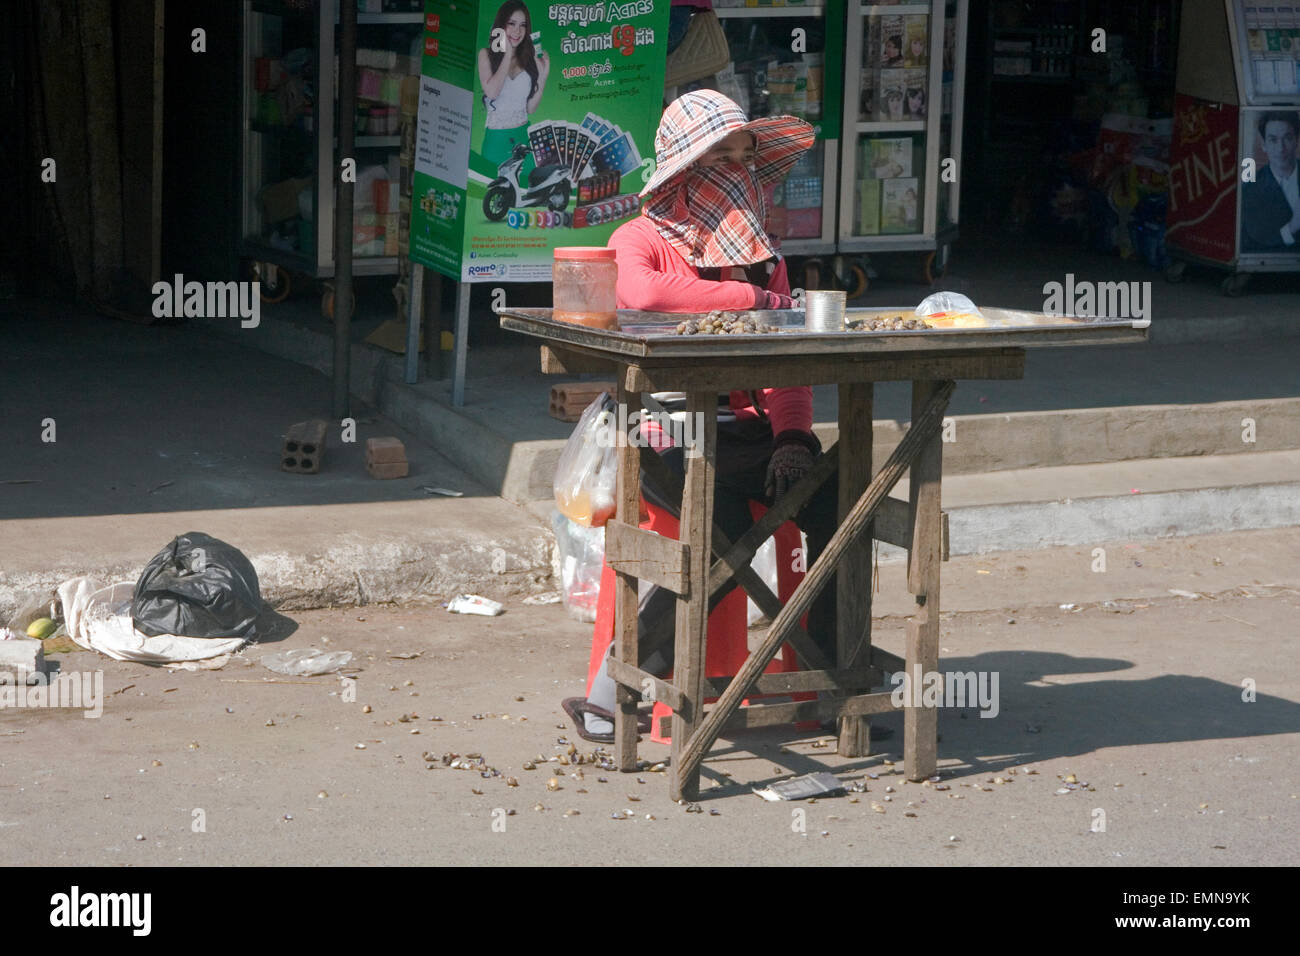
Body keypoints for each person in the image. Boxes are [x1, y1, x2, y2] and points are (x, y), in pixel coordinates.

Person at [574, 90, 846, 742]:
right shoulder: (639, 237)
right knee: (717, 524)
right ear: (681, 165)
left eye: (743, 156)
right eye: (717, 155)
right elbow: (641, 292)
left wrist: (792, 438)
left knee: (839, 501)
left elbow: (786, 366)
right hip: (665, 434)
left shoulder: (764, 252)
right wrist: (752, 297)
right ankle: (621, 689)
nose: (734, 167)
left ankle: (833, 682)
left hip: (751, 436)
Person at [477, 1, 549, 177]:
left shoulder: (529, 59)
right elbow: (492, 92)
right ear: (501, 25)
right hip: (496, 140)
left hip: (523, 137)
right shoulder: (485, 55)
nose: (517, 31)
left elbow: (530, 109)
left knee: (525, 193)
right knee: (496, 194)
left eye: (523, 25)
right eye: (512, 24)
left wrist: (543, 77)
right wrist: (507, 54)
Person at [1242, 111, 1300, 252]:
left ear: (1297, 140)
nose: (1281, 149)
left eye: (1287, 138)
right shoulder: (1250, 189)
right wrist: (1293, 226)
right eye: (1273, 140)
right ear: (1263, 145)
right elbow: (1253, 242)